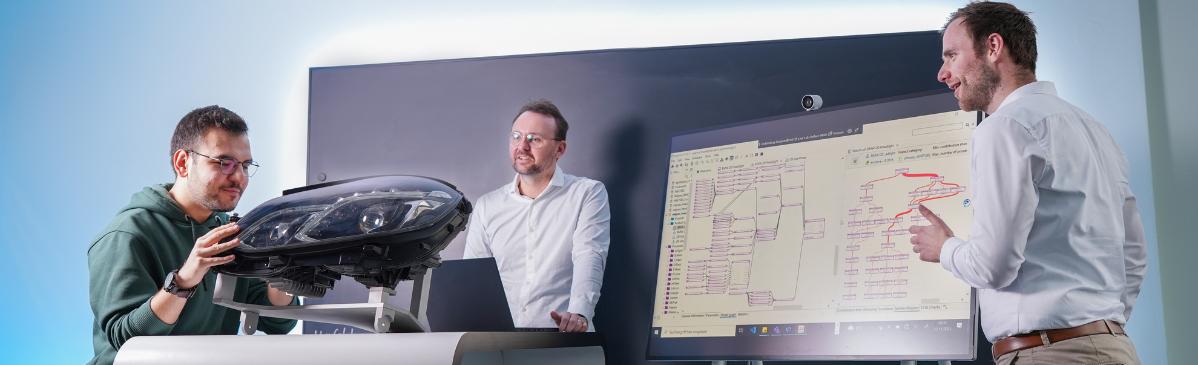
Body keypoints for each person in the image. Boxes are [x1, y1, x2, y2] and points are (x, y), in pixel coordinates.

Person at [907, 2, 1147, 364]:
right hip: (1113, 349)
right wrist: (1095, 325)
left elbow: (994, 266)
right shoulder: (1096, 131)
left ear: (993, 47)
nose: (943, 73)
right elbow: (1134, 256)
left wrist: (944, 248)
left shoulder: (1003, 128)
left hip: (1049, 353)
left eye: (952, 56)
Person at [88, 106, 298, 365]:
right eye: (224, 163)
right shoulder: (126, 235)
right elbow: (128, 342)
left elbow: (276, 323)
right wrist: (184, 280)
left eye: (245, 165)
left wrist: (282, 271)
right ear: (183, 163)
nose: (239, 178)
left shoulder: (231, 232)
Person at [463, 99, 611, 333]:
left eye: (534, 139)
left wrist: (580, 313)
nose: (521, 146)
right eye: (516, 136)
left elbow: (590, 255)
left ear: (559, 149)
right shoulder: (487, 206)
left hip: (563, 336)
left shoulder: (587, 193)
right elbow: (473, 278)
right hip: (498, 341)